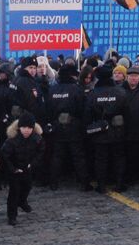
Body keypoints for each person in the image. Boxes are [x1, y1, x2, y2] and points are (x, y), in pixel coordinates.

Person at [84, 64, 128, 192]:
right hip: (118, 130)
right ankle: (119, 184)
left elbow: (88, 114)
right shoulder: (120, 92)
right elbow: (127, 113)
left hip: (99, 131)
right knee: (118, 158)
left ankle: (101, 185)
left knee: (100, 159)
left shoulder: (93, 93)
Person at [47, 63, 89, 190]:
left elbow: (49, 109)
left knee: (57, 155)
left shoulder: (53, 89)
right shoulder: (76, 89)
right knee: (78, 156)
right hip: (74, 126)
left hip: (57, 126)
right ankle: (84, 183)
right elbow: (82, 109)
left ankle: (53, 183)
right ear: (72, 75)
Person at [1, 111, 43, 225]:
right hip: (14, 170)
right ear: (19, 127)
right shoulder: (12, 140)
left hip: (27, 168)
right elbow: (5, 156)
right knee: (14, 193)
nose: (26, 130)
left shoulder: (36, 138)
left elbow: (41, 152)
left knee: (27, 187)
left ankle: (22, 201)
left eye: (29, 127)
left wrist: (32, 164)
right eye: (24, 127)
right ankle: (12, 216)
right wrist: (13, 169)